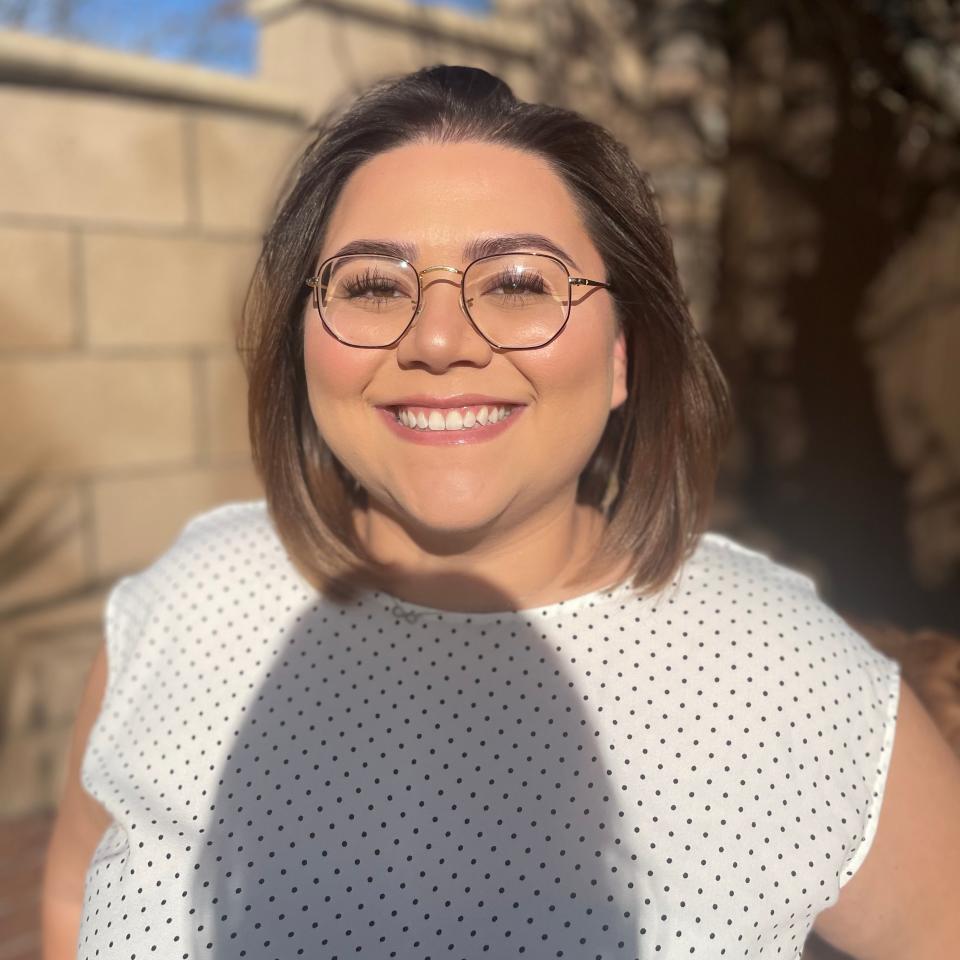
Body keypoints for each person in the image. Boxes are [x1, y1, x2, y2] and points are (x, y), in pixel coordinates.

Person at [42, 65, 960, 960]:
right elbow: (75, 888)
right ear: (301, 335)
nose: (438, 339)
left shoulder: (797, 685)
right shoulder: (181, 604)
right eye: (372, 285)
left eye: (519, 283)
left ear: (621, 358)